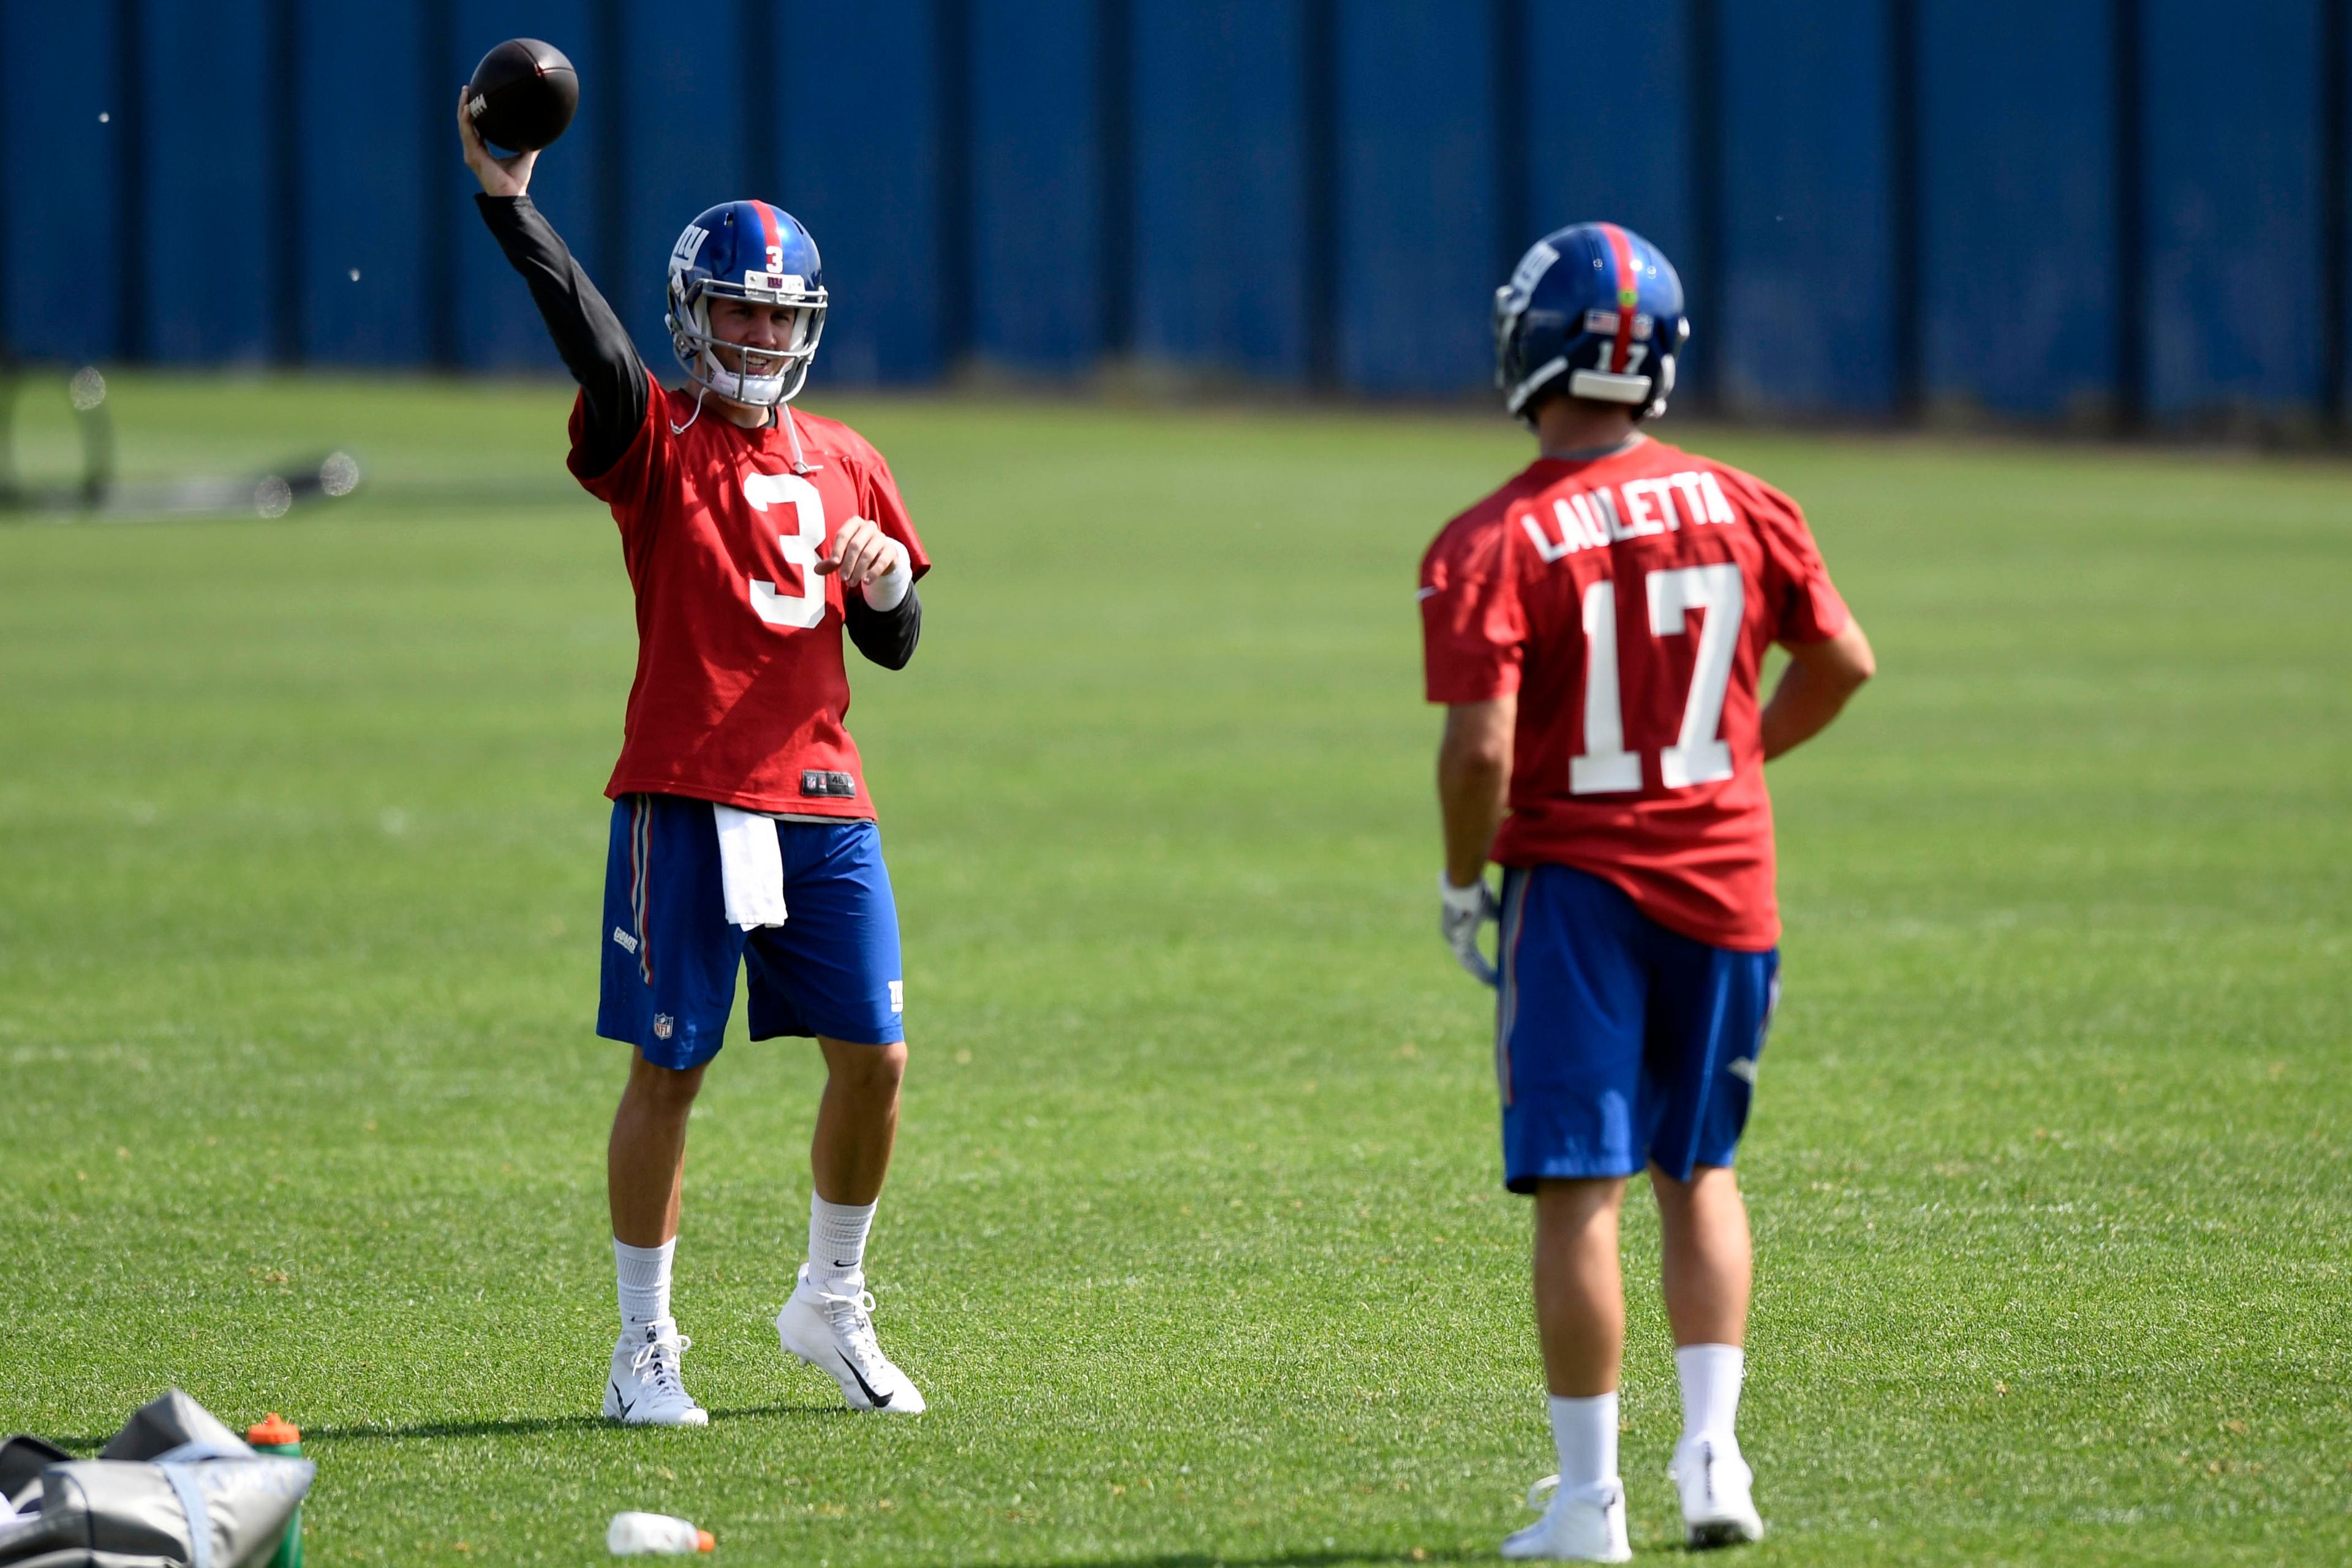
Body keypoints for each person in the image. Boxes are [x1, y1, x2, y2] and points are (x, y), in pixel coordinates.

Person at [460, 92, 931, 1425]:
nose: (760, 335)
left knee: (878, 1055)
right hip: (685, 785)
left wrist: (890, 582)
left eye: (780, 315)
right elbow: (594, 348)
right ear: (693, 315)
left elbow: (893, 640)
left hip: (822, 789)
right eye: (739, 310)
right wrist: (513, 208)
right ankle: (640, 1347)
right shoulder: (656, 437)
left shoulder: (847, 457)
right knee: (672, 1066)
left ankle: (828, 1299)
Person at [1420, 224, 1875, 1559]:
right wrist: (1735, 759)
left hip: (1579, 888)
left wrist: (1461, 878)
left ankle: (1588, 1502)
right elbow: (1844, 660)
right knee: (1703, 1168)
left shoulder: (1494, 535)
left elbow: (1482, 745)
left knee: (1582, 1190)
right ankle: (1716, 1454)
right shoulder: (1748, 497)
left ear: (1532, 346)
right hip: (1729, 875)